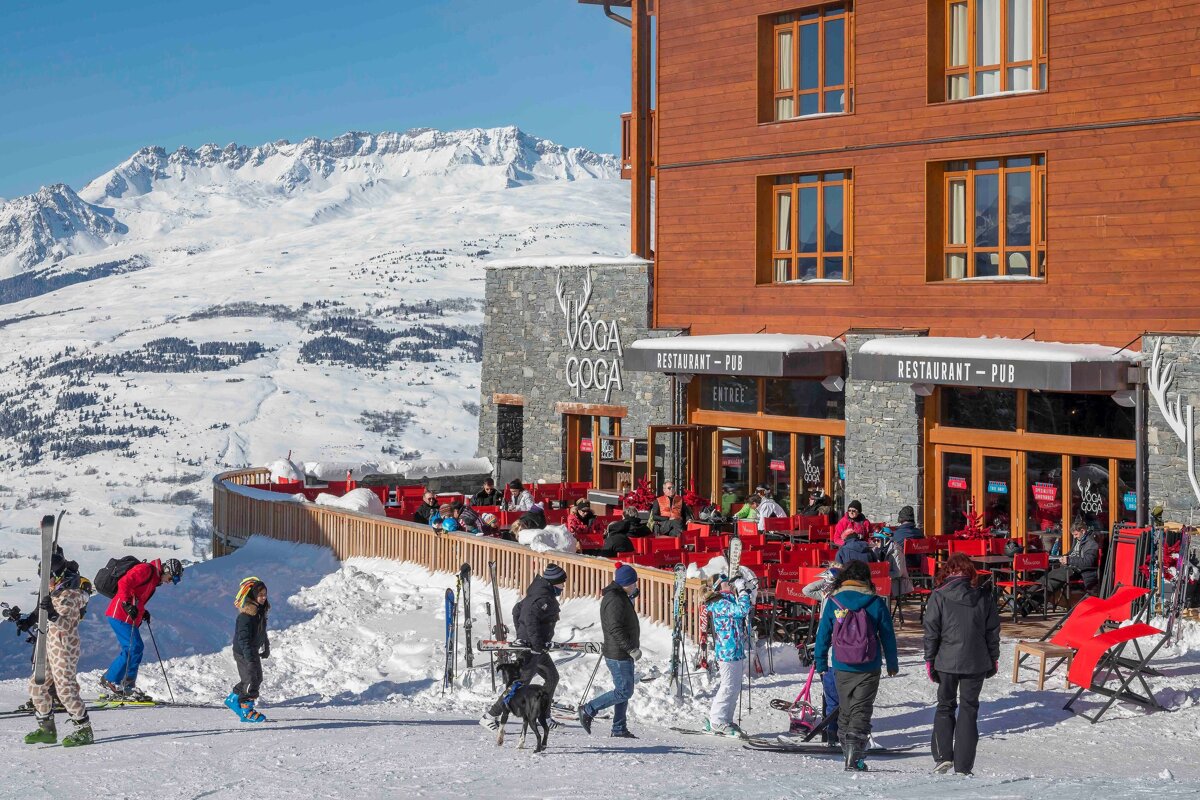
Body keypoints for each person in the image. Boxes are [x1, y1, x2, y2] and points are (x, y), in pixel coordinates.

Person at [813, 559, 899, 772]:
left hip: (841, 664)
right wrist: (892, 663)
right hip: (869, 665)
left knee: (845, 710)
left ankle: (848, 754)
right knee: (861, 709)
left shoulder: (834, 601)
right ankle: (855, 757)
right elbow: (887, 635)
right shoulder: (876, 602)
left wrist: (820, 662)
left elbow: (823, 635)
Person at [923, 553, 1001, 776]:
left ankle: (943, 756)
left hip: (946, 659)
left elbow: (931, 631)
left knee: (945, 706)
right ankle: (964, 765)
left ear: (948, 571)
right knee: (969, 709)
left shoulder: (939, 595)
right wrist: (993, 657)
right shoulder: (983, 596)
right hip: (975, 660)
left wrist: (930, 659)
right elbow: (992, 631)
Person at [480, 564, 567, 732]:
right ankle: (490, 716)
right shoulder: (542, 597)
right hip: (531, 649)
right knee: (518, 685)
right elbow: (529, 619)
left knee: (552, 677)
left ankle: (544, 716)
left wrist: (524, 636)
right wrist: (531, 641)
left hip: (536, 647)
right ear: (553, 582)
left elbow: (517, 610)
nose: (563, 586)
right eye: (561, 583)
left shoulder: (538, 593)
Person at [23, 551, 94, 747]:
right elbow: (42, 613)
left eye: (48, 578)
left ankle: (84, 730)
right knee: (37, 685)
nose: (46, 583)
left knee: (65, 689)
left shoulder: (71, 594)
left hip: (65, 646)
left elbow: (67, 624)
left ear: (59, 576)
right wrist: (27, 621)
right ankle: (47, 729)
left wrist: (53, 613)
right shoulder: (53, 592)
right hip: (48, 644)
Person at [101, 558, 183, 700]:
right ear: (166, 570)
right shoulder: (145, 569)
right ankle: (117, 682)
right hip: (119, 613)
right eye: (171, 578)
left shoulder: (154, 580)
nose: (169, 582)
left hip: (127, 616)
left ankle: (120, 683)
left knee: (133, 649)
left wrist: (142, 611)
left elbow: (137, 596)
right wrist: (126, 603)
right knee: (134, 647)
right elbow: (124, 582)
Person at [579, 564, 641, 738]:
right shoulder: (615, 600)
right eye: (633, 583)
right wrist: (630, 648)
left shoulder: (619, 596)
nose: (635, 586)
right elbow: (615, 628)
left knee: (622, 690)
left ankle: (619, 728)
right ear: (626, 583)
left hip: (621, 652)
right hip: (619, 653)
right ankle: (589, 709)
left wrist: (630, 597)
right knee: (624, 691)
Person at [702, 570, 756, 739]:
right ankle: (717, 720)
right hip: (727, 651)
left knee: (734, 686)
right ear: (718, 587)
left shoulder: (728, 600)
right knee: (728, 686)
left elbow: (744, 608)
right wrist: (741, 590)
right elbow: (742, 610)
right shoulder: (719, 603)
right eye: (726, 582)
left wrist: (746, 590)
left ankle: (725, 719)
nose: (730, 583)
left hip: (735, 650)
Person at [801, 564, 843, 746]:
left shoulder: (840, 596)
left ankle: (835, 730)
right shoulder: (825, 594)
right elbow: (806, 590)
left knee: (834, 691)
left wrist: (836, 579)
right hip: (823, 641)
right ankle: (829, 730)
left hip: (835, 642)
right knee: (827, 690)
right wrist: (824, 580)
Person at [224, 578, 271, 723]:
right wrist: (249, 658)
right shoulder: (245, 616)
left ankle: (233, 699)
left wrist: (266, 645)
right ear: (253, 596)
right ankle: (246, 711)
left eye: (265, 594)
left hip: (252, 650)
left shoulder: (260, 612)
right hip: (244, 652)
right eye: (260, 595)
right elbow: (243, 639)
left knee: (257, 678)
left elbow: (262, 632)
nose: (263, 597)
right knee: (251, 680)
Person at [1043, 519, 1101, 601]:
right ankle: (1027, 599)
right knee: (1046, 578)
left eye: (1076, 534)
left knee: (1051, 582)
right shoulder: (1078, 541)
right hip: (1069, 567)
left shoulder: (1091, 544)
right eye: (1073, 535)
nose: (1074, 537)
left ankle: (1033, 601)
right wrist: (1061, 558)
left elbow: (1088, 562)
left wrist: (1069, 560)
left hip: (1078, 570)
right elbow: (1070, 553)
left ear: (1083, 531)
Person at [872, 528, 913, 596]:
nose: (875, 543)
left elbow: (898, 573)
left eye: (878, 540)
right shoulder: (877, 550)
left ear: (886, 540)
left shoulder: (896, 551)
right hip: (884, 583)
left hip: (897, 585)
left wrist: (881, 574)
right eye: (874, 540)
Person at [891, 505, 924, 570]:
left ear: (900, 519)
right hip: (919, 564)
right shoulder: (919, 533)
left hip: (902, 565)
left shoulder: (896, 534)